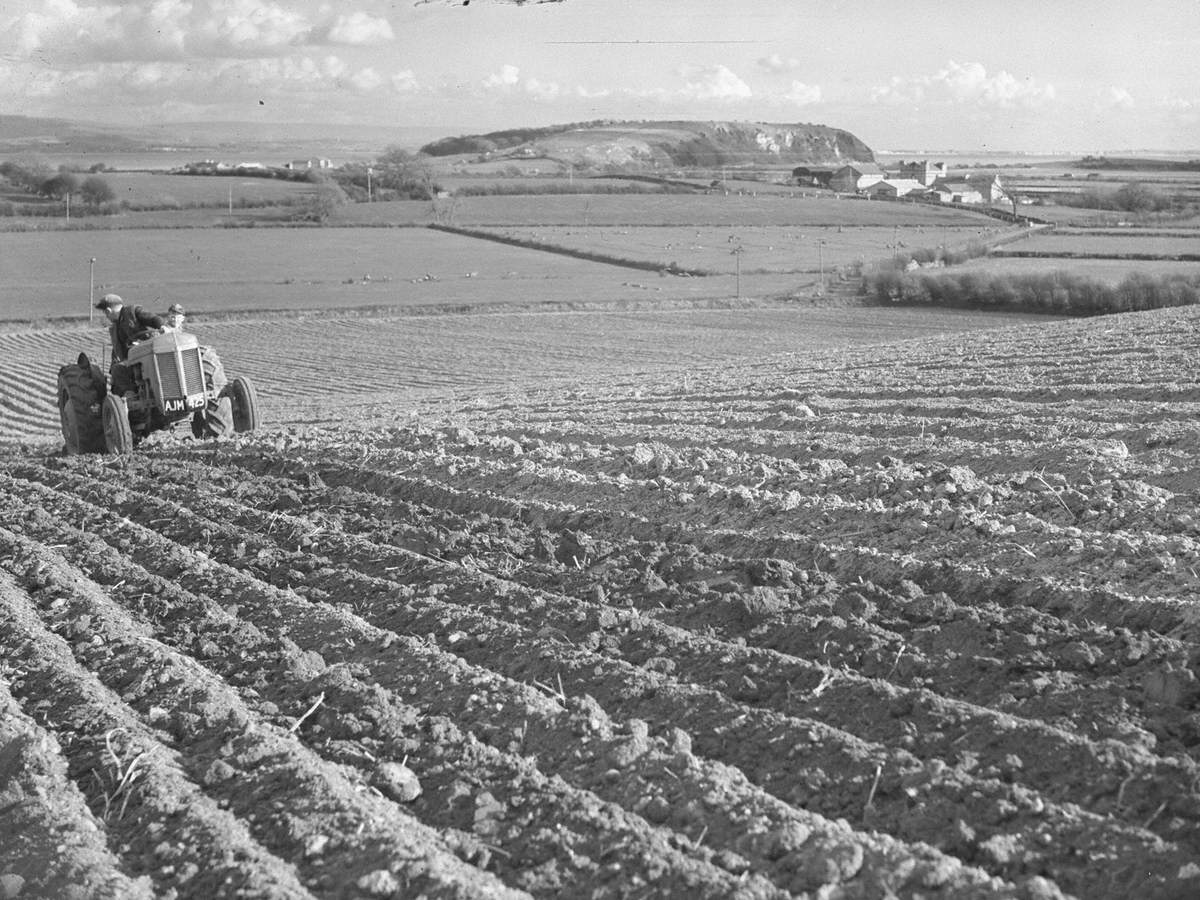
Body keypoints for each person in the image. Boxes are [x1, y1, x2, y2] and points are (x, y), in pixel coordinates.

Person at [94, 293, 163, 397]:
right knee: (117, 369)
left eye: (105, 313)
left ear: (108, 310)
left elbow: (153, 319)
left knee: (117, 369)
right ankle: (131, 395)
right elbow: (117, 352)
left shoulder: (132, 312)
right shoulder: (116, 328)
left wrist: (162, 326)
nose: (107, 317)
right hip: (132, 361)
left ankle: (131, 396)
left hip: (147, 354)